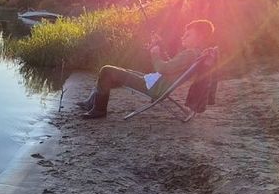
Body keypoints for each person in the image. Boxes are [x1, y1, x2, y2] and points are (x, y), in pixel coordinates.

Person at [78, 19, 216, 119]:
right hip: (156, 82)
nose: (183, 37)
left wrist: (155, 54)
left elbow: (163, 68)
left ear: (200, 37)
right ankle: (92, 102)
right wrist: (160, 48)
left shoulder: (190, 54)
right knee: (121, 72)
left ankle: (99, 109)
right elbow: (171, 68)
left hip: (154, 87)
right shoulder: (195, 54)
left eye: (188, 35)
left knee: (106, 70)